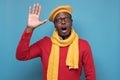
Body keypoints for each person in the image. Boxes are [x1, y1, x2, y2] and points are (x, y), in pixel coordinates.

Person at [16, 3, 96, 80]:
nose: (63, 22)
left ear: (71, 22)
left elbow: (91, 76)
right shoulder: (44, 44)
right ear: (54, 25)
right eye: (58, 20)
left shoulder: (83, 45)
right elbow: (21, 55)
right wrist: (29, 29)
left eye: (66, 18)